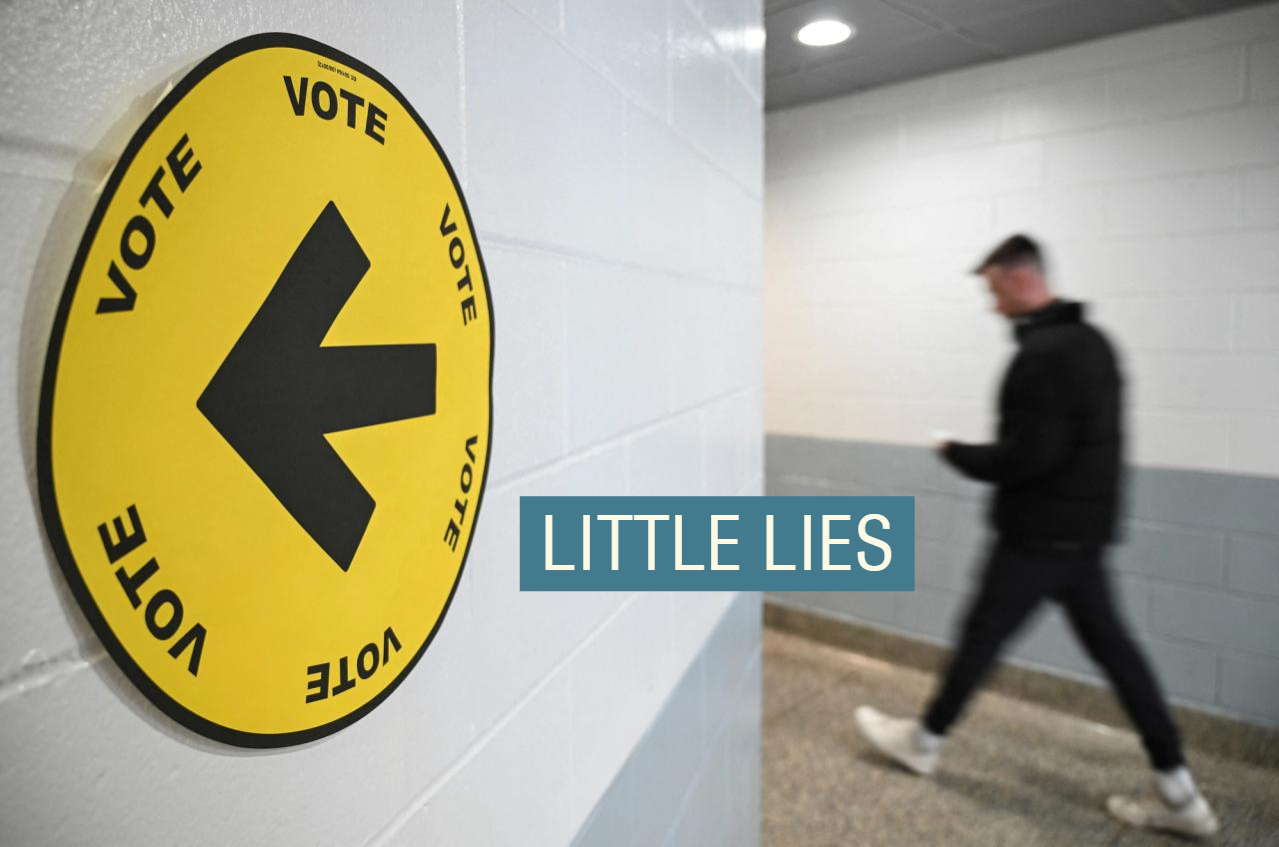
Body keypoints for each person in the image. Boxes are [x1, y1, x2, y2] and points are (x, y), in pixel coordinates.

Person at [853, 234, 1219, 838]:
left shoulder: (1044, 354)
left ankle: (924, 740)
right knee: (1119, 656)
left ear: (1019, 278)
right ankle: (1182, 797)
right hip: (1082, 541)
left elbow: (1030, 456)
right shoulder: (1097, 344)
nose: (991, 306)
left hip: (1037, 537)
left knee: (980, 638)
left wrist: (956, 452)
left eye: (993, 291)